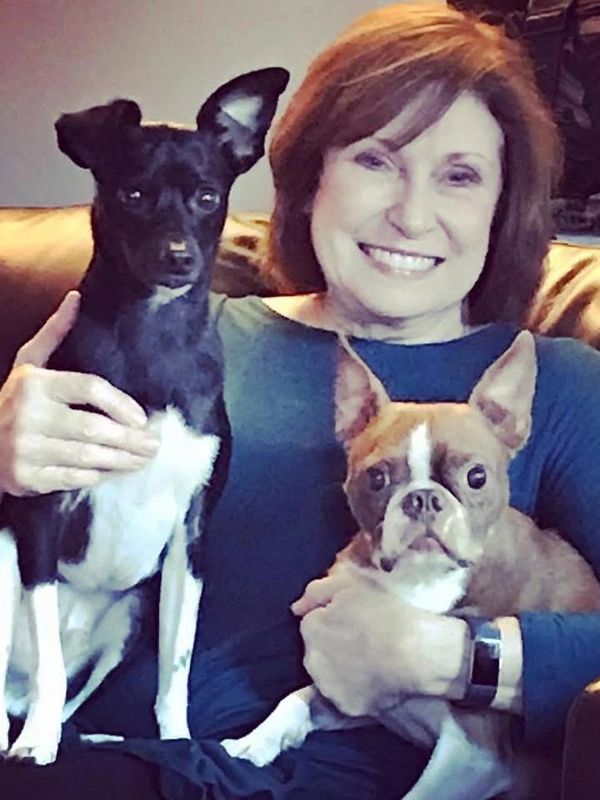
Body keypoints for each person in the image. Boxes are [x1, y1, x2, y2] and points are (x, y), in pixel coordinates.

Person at [2, 4, 600, 798]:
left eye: (459, 175)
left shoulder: (550, 383)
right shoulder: (176, 333)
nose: (411, 214)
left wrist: (456, 658)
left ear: (502, 204)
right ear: (310, 176)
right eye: (377, 161)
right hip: (83, 744)